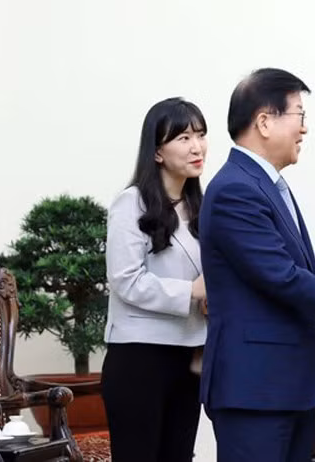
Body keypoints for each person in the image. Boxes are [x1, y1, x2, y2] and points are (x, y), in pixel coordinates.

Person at [199, 68, 315, 462]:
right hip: (256, 389)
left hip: (286, 386)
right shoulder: (235, 189)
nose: (304, 129)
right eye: (299, 115)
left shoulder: (264, 185)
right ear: (264, 122)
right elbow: (281, 277)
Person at [102, 97, 209, 462]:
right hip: (139, 357)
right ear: (158, 152)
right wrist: (192, 291)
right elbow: (125, 280)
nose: (197, 147)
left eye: (201, 135)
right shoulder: (130, 203)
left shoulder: (203, 207)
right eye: (183, 137)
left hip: (189, 355)